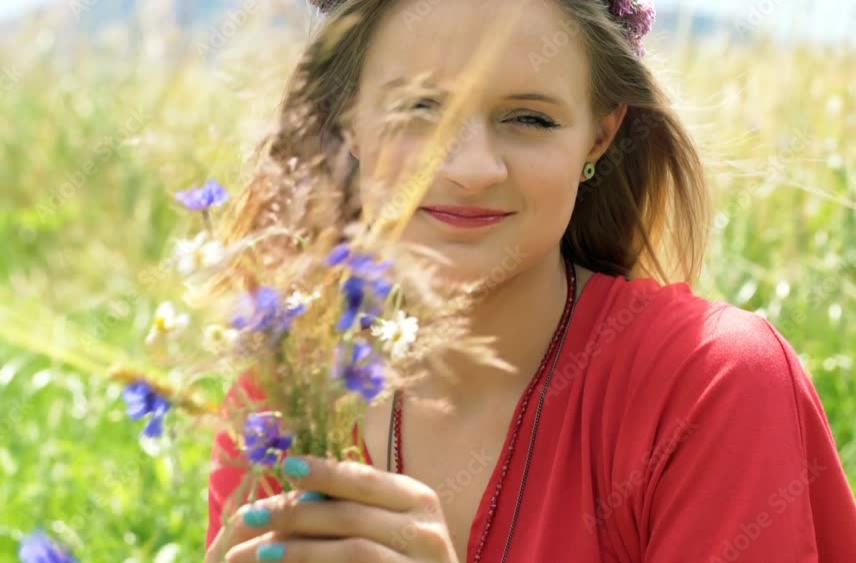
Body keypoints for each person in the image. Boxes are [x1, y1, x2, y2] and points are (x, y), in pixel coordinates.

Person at [205, 0, 856, 561]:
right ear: (349, 122)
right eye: (420, 108)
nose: (472, 167)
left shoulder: (713, 384)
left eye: (529, 119)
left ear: (600, 135)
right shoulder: (287, 397)